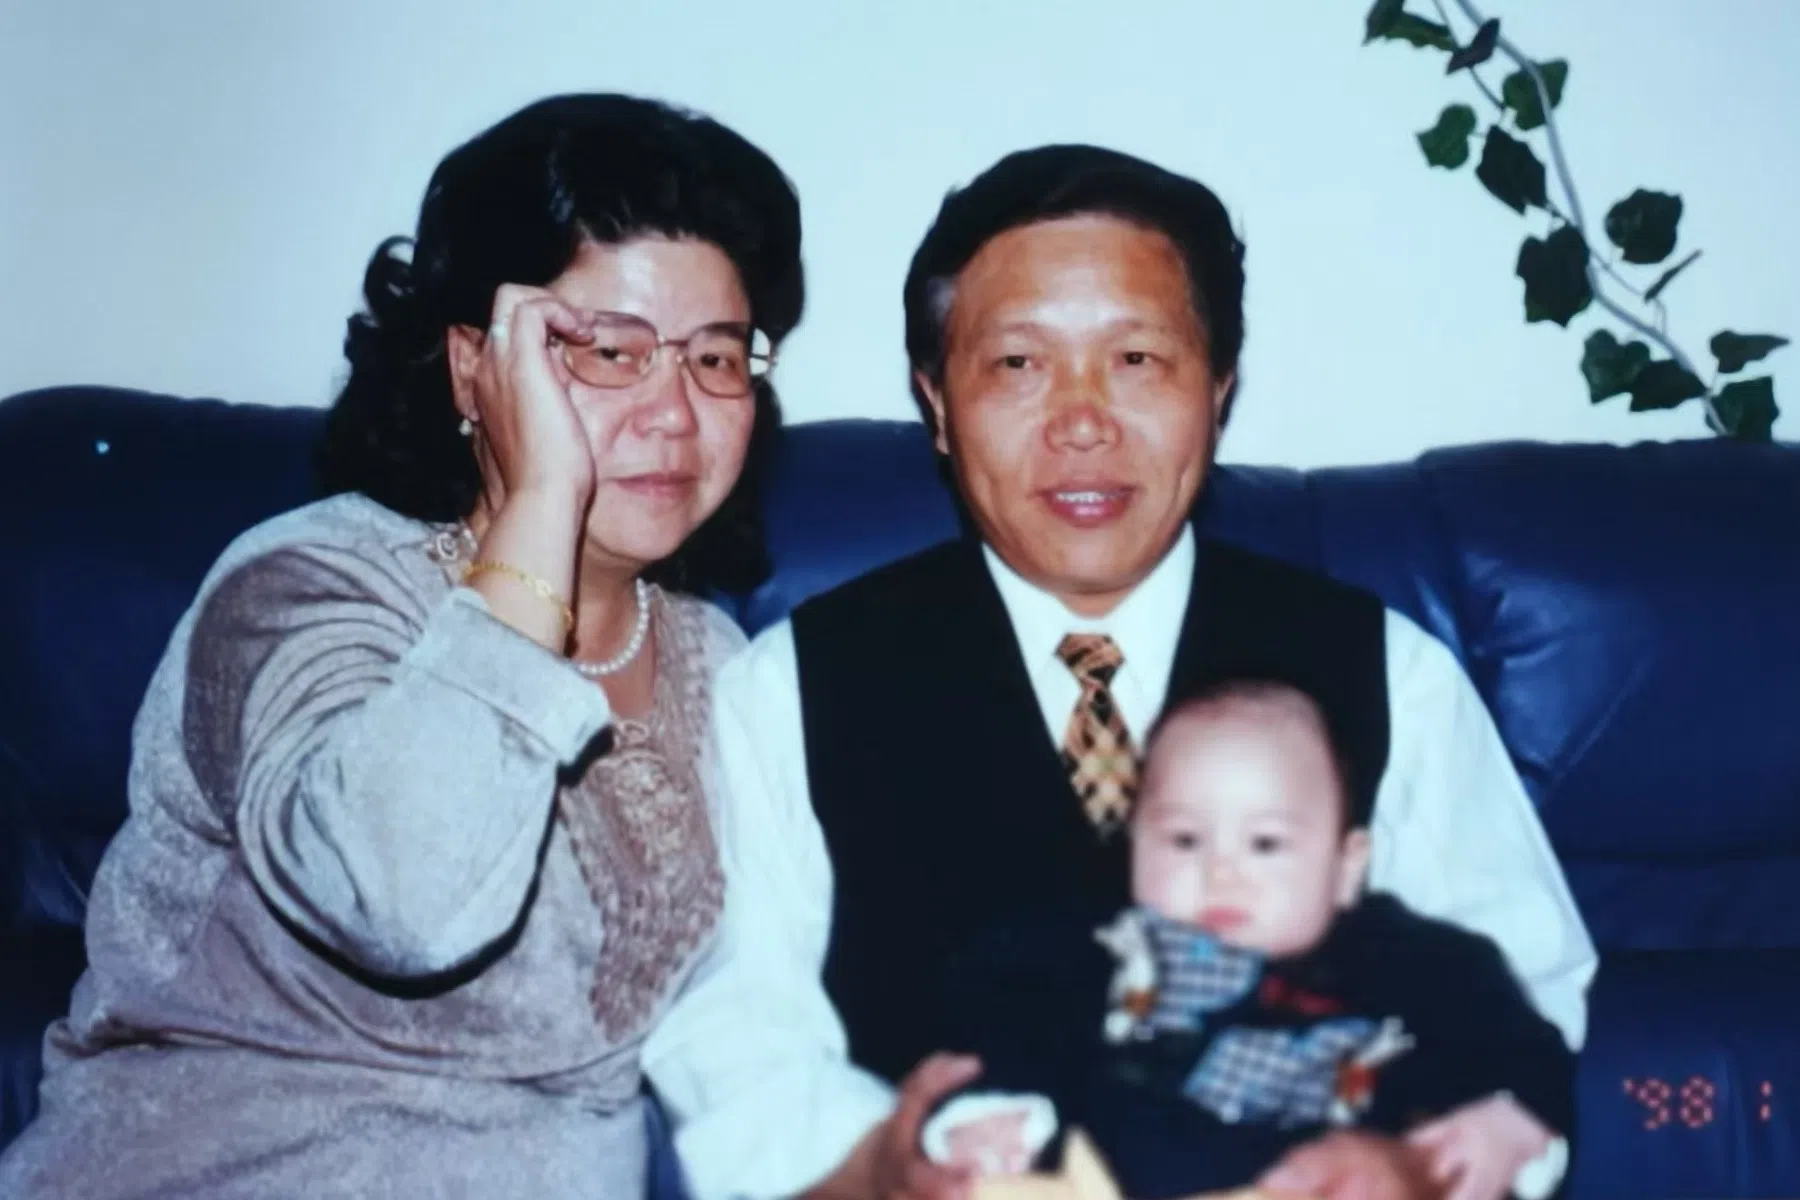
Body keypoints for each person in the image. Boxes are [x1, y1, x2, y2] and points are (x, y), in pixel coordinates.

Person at [643, 143, 1596, 1200]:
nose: (1083, 421)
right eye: (1018, 365)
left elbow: (1520, 983)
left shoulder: (1387, 673)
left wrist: (1416, 1162)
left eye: (1137, 360)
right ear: (937, 405)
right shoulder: (788, 690)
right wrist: (885, 1166)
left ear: (1219, 387)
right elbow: (736, 1035)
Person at [0, 92, 802, 1198]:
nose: (675, 411)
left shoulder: (723, 664)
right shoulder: (306, 586)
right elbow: (405, 901)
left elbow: (777, 1008)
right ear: (478, 367)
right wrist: (545, 502)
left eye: (715, 359)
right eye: (608, 351)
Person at [921, 681, 1573, 1200]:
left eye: (1265, 843)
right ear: (1135, 848)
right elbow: (1001, 1022)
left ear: (1346, 868)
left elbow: (1522, 1048)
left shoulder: (1421, 964)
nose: (1221, 871)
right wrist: (991, 1115)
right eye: (1183, 839)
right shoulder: (1091, 953)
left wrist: (1510, 1121)